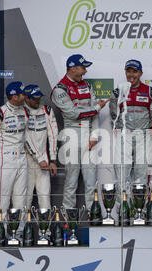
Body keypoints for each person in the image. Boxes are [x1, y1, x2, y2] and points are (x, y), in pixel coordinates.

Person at [50, 54, 108, 216]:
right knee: (71, 181)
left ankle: (93, 215)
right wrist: (96, 108)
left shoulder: (86, 86)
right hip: (71, 135)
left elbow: (94, 115)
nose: (85, 71)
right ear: (73, 68)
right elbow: (73, 114)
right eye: (83, 67)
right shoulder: (60, 89)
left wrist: (94, 136)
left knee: (91, 182)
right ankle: (69, 220)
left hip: (89, 135)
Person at [109, 59, 152, 200]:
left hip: (143, 136)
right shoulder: (117, 92)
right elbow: (113, 116)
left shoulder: (151, 92)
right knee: (122, 174)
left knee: (142, 176)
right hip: (123, 136)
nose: (131, 75)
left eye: (134, 71)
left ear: (141, 73)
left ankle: (140, 214)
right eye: (128, 71)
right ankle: (121, 212)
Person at [0, 81, 29, 237]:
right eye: (22, 94)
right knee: (3, 199)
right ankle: (0, 233)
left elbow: (26, 138)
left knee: (20, 200)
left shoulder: (25, 112)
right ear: (14, 96)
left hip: (21, 158)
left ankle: (17, 234)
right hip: (5, 159)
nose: (25, 96)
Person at [23, 84, 58, 209]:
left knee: (44, 197)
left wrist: (53, 160)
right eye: (34, 98)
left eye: (39, 98)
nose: (38, 101)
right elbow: (25, 139)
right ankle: (21, 229)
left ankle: (46, 229)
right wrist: (39, 158)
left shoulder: (47, 110)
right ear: (26, 98)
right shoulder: (21, 112)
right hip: (26, 160)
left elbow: (53, 135)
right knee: (25, 198)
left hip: (44, 159)